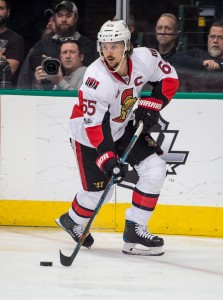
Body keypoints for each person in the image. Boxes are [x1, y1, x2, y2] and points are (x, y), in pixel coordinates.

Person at [55, 20, 179, 256]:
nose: (108, 52)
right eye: (104, 46)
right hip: (87, 134)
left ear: (127, 46)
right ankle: (72, 220)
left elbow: (169, 78)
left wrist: (155, 102)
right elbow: (96, 129)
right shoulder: (95, 78)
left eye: (114, 46)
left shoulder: (146, 58)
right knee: (99, 192)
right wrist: (109, 160)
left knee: (155, 168)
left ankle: (135, 228)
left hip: (122, 125)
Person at [18, 1, 95, 89]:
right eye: (60, 15)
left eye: (68, 15)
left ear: (76, 18)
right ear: (55, 18)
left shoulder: (86, 45)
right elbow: (27, 72)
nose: (64, 19)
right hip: (46, 96)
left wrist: (54, 70)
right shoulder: (42, 44)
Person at [172, 20, 223, 92]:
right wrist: (202, 63)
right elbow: (176, 58)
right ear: (208, 38)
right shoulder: (197, 54)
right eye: (212, 36)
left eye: (220, 37)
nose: (215, 40)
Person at [17, 9, 56, 89]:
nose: (49, 24)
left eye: (54, 21)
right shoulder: (36, 49)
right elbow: (24, 78)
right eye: (49, 21)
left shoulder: (68, 52)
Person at [0, 0, 24, 87]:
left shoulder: (15, 39)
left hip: (4, 93)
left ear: (8, 12)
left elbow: (7, 73)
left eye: (1, 8)